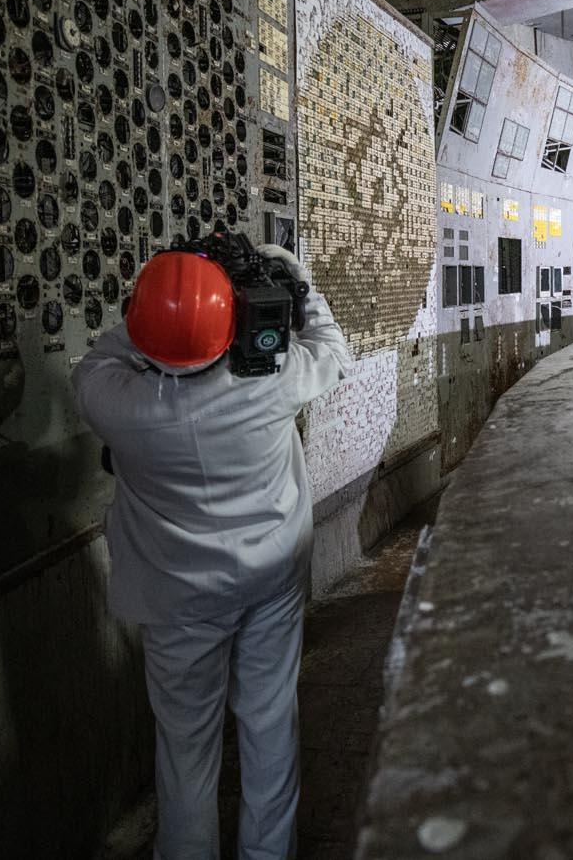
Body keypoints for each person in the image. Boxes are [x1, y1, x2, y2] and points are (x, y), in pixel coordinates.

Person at [72, 243, 350, 860]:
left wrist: (160, 311)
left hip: (177, 600)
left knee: (185, 751)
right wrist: (298, 282)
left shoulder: (116, 403)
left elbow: (100, 358)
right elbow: (333, 349)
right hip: (270, 580)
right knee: (269, 724)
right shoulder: (274, 380)